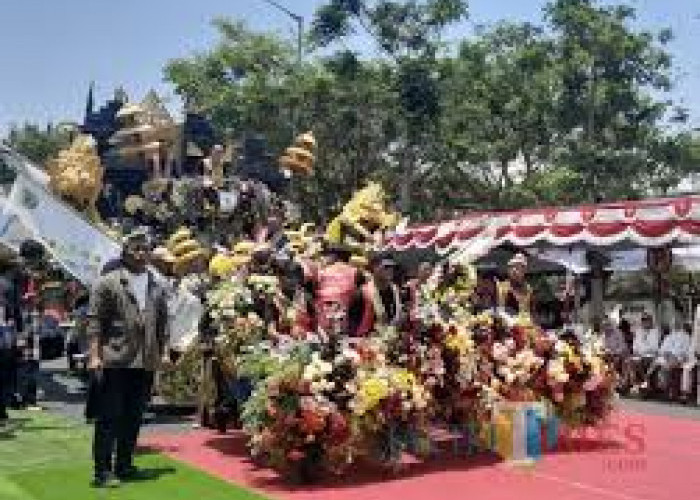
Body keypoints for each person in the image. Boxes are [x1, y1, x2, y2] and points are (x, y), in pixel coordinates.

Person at [87, 230, 170, 488]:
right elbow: (94, 321)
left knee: (134, 416)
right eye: (136, 248)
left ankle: (124, 465)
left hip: (144, 360)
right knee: (109, 417)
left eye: (145, 248)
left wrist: (164, 352)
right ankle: (102, 471)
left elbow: (162, 323)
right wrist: (94, 355)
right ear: (125, 251)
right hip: (115, 359)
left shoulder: (156, 284)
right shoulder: (108, 282)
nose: (141, 253)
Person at [644, 322, 691, 400]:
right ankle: (647, 385)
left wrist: (674, 356)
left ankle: (668, 390)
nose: (676, 325)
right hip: (666, 357)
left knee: (668, 366)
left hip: (678, 358)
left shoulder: (686, 337)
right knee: (654, 363)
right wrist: (666, 354)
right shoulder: (669, 336)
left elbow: (685, 351)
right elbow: (662, 349)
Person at [629, 313, 660, 394]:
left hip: (651, 355)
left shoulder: (655, 332)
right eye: (643, 320)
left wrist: (642, 351)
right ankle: (637, 384)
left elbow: (654, 347)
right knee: (630, 362)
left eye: (647, 320)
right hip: (639, 355)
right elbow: (635, 345)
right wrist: (636, 351)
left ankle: (645, 384)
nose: (645, 322)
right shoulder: (639, 331)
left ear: (651, 321)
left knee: (642, 362)